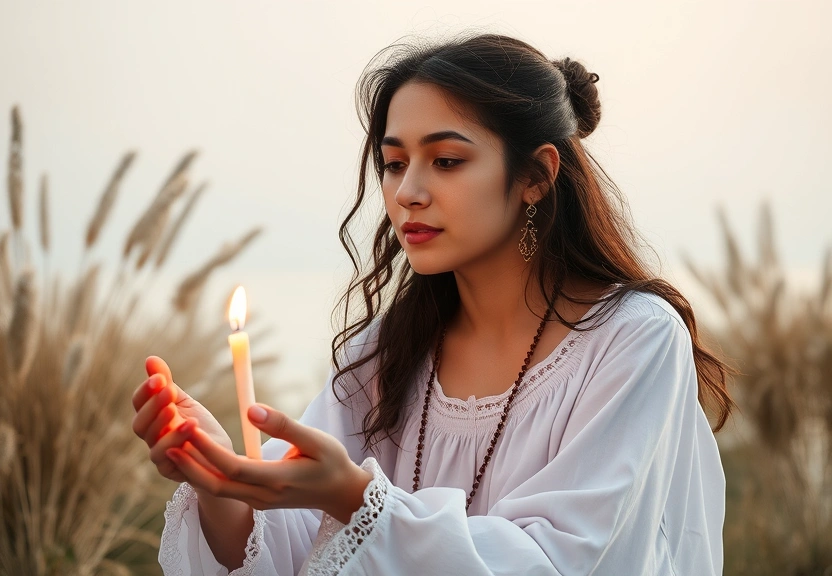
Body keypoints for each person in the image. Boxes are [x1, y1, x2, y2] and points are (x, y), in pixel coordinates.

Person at [132, 33, 734, 575]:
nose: (407, 193)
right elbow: (290, 551)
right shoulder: (389, 351)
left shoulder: (633, 339)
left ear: (536, 175)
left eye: (446, 161)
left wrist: (352, 498)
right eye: (394, 164)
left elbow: (558, 560)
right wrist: (219, 479)